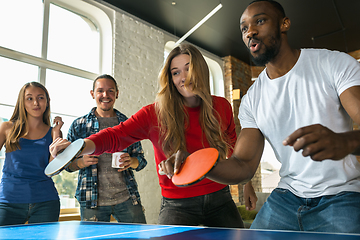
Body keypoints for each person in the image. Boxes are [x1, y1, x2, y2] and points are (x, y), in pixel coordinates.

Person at [164, 0, 360, 234]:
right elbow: (243, 164)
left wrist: (344, 142)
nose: (250, 32)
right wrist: (199, 166)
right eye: (244, 28)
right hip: (287, 197)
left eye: (260, 21)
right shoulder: (252, 99)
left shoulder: (333, 64)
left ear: (284, 24)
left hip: (341, 194)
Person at [50, 44, 256, 228]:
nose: (183, 77)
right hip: (177, 204)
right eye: (175, 73)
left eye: (188, 68)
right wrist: (78, 147)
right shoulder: (153, 113)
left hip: (220, 199)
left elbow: (234, 149)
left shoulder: (221, 106)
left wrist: (247, 184)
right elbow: (115, 136)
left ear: (200, 69)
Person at [65, 74, 147, 223]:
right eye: (100, 91)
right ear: (92, 94)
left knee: (141, 236)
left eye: (110, 91)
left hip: (127, 198)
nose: (105, 95)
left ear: (117, 93)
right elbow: (66, 165)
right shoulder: (79, 125)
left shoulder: (128, 124)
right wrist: (81, 163)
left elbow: (141, 161)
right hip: (91, 201)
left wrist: (131, 161)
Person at [0, 82, 63, 226]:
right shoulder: (7, 127)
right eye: (29, 98)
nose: (36, 103)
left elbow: (53, 170)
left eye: (40, 98)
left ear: (47, 102)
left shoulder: (53, 133)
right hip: (8, 201)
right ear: (22, 102)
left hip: (46, 202)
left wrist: (57, 134)